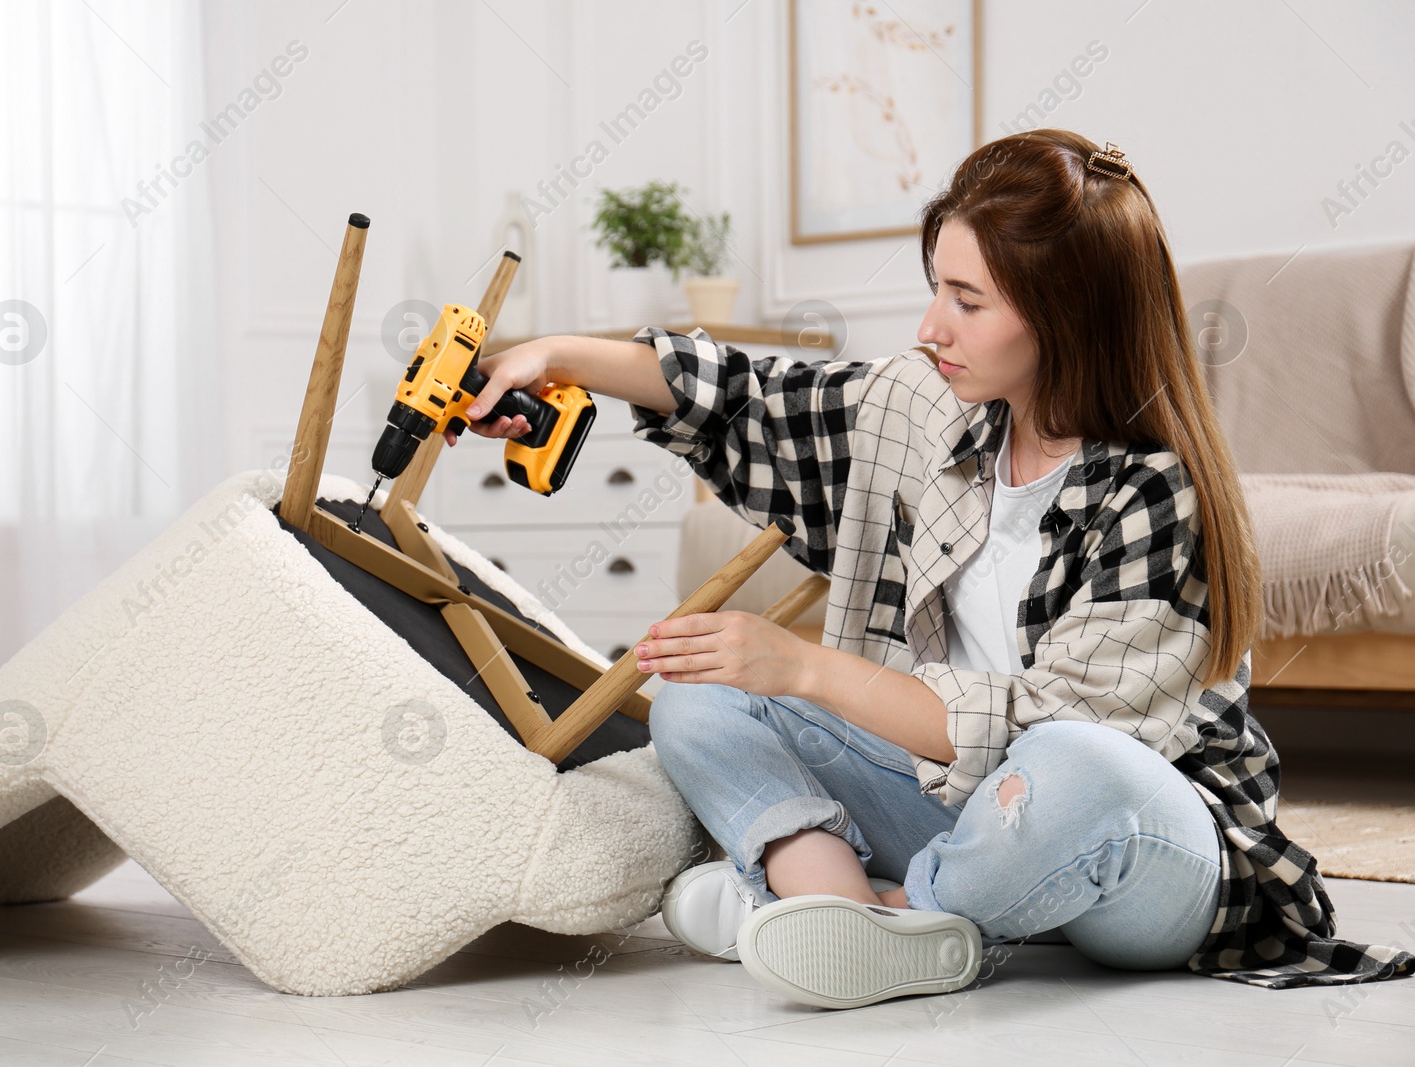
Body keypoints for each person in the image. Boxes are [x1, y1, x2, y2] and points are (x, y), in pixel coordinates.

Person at [451, 129, 1413, 1009]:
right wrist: (554, 356)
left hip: (1132, 849)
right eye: (936, 287)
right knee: (695, 692)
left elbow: (1054, 731)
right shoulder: (927, 407)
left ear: (1066, 317)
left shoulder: (1158, 495)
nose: (930, 325)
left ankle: (881, 906)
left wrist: (807, 668)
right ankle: (842, 915)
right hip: (963, 806)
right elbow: (748, 399)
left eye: (967, 300)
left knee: (1067, 763)